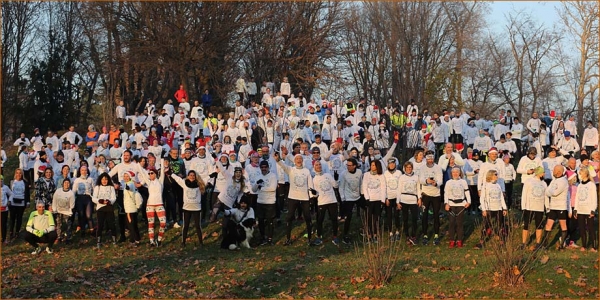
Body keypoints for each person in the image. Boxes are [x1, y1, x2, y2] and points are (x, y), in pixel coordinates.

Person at [276, 150, 314, 246]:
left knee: (308, 218)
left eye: (300, 159)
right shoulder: (291, 169)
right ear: (294, 160)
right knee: (289, 217)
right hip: (293, 197)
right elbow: (283, 166)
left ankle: (309, 238)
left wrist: (312, 197)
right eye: (297, 158)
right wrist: (278, 160)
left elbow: (310, 185)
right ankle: (288, 239)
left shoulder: (306, 171)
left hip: (304, 198)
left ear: (302, 160)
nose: (298, 160)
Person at [169, 168, 205, 247]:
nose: (192, 176)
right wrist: (170, 172)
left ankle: (201, 242)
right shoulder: (184, 183)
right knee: (185, 226)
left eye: (193, 175)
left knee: (198, 226)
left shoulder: (199, 184)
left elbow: (208, 177)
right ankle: (183, 242)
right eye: (190, 175)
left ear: (195, 177)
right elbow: (177, 179)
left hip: (196, 208)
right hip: (187, 208)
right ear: (188, 176)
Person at [476, 170, 508, 249]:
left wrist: (504, 208)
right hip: (489, 209)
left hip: (498, 208)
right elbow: (482, 198)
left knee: (500, 225)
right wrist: (484, 209)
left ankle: (501, 242)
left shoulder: (498, 185)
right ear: (490, 176)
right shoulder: (485, 186)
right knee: (486, 225)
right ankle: (481, 242)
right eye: (495, 175)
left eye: (497, 175)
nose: (497, 176)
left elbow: (501, 198)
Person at [311, 160, 339, 246]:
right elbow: (315, 195)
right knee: (320, 220)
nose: (319, 166)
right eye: (317, 165)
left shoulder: (327, 175)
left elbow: (335, 186)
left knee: (334, 219)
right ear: (314, 167)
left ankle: (335, 236)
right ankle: (319, 237)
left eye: (320, 164)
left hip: (332, 200)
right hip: (322, 202)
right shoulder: (314, 179)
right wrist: (314, 193)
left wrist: (336, 179)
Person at [419, 151, 443, 245]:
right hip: (425, 194)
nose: (430, 160)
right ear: (426, 159)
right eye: (428, 159)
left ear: (434, 159)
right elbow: (420, 180)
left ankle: (436, 235)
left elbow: (440, 180)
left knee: (436, 215)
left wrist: (435, 183)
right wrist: (426, 180)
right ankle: (425, 235)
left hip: (436, 194)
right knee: (425, 216)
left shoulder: (438, 168)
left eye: (431, 159)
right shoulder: (422, 168)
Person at [520, 167, 547, 251]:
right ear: (539, 173)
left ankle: (538, 243)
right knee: (526, 225)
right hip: (529, 206)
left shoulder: (544, 183)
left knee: (539, 225)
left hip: (539, 207)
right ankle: (524, 243)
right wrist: (523, 206)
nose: (544, 174)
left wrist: (547, 207)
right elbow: (524, 194)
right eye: (543, 172)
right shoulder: (529, 181)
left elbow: (545, 196)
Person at [543, 165, 569, 249]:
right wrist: (550, 191)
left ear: (559, 172)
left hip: (561, 207)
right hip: (553, 206)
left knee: (563, 225)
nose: (553, 172)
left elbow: (555, 193)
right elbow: (547, 191)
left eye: (554, 170)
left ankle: (562, 245)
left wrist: (549, 191)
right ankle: (545, 244)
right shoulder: (554, 180)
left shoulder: (563, 181)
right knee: (548, 225)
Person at [444, 166, 471, 248]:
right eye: (453, 172)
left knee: (459, 223)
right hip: (451, 204)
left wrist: (469, 201)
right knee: (451, 223)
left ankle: (459, 240)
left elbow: (467, 192)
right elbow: (446, 193)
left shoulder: (463, 182)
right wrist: (446, 203)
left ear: (459, 173)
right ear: (451, 173)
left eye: (457, 172)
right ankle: (452, 240)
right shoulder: (448, 182)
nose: (455, 174)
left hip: (461, 205)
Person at [252, 160, 278, 246]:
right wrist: (257, 184)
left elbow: (273, 188)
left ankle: (270, 238)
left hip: (270, 202)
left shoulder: (273, 176)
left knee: (270, 220)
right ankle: (262, 237)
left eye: (265, 167)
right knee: (261, 220)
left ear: (268, 167)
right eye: (262, 167)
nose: (264, 169)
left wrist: (261, 188)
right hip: (260, 201)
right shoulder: (258, 176)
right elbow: (253, 189)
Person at [362, 160, 387, 243]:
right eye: (371, 165)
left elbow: (383, 188)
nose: (372, 166)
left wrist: (382, 200)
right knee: (369, 218)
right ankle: (369, 235)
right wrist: (367, 198)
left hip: (378, 199)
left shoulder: (381, 176)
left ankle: (375, 235)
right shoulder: (366, 175)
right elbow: (364, 187)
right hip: (369, 200)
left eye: (374, 165)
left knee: (376, 218)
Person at [339, 158, 363, 245]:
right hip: (348, 198)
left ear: (354, 166)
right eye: (347, 165)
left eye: (349, 165)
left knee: (367, 209)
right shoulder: (343, 174)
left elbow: (361, 183)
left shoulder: (359, 172)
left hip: (358, 196)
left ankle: (366, 228)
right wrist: (343, 198)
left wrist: (362, 193)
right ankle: (345, 235)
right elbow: (341, 187)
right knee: (348, 217)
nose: (348, 167)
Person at [397, 161, 421, 245]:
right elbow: (399, 189)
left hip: (413, 200)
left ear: (412, 168)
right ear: (405, 168)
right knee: (405, 219)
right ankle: (407, 235)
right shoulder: (402, 177)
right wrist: (398, 201)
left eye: (410, 168)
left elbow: (418, 189)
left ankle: (413, 236)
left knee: (414, 218)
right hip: (404, 200)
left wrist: (419, 198)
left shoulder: (416, 177)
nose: (408, 169)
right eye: (407, 168)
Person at [91, 173, 118, 248]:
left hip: (109, 207)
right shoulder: (97, 187)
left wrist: (109, 202)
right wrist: (100, 201)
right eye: (103, 179)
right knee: (100, 225)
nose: (104, 181)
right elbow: (93, 198)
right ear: (100, 180)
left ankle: (114, 240)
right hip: (100, 208)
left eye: (106, 179)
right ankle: (98, 241)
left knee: (111, 224)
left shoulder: (111, 187)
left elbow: (114, 197)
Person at [574, 168, 597, 252]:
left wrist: (593, 209)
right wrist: (575, 209)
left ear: (585, 174)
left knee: (591, 228)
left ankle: (594, 247)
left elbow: (594, 198)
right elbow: (577, 198)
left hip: (588, 209)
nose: (579, 175)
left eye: (580, 173)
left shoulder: (591, 185)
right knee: (582, 228)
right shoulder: (579, 185)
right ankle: (584, 245)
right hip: (580, 209)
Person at [72, 166, 95, 237]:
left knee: (88, 215)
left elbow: (94, 190)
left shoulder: (91, 179)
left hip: (88, 198)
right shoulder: (77, 180)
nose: (84, 172)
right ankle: (83, 231)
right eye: (82, 170)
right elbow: (74, 191)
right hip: (80, 198)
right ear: (80, 171)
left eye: (85, 170)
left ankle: (92, 230)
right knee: (81, 215)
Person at [7, 169, 29, 243]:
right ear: (15, 174)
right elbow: (8, 192)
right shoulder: (12, 182)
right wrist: (8, 201)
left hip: (21, 203)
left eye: (20, 173)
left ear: (22, 174)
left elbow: (27, 193)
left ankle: (17, 232)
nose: (18, 175)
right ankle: (11, 232)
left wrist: (28, 202)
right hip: (13, 203)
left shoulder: (25, 183)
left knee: (19, 218)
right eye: (17, 173)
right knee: (12, 218)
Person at [122, 171, 143, 246]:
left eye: (127, 176)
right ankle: (136, 239)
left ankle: (134, 240)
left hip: (130, 209)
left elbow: (129, 188)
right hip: (131, 208)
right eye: (124, 176)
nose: (125, 177)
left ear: (130, 177)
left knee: (131, 225)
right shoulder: (130, 183)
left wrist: (127, 187)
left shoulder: (130, 184)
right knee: (134, 224)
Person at [383, 158, 402, 241]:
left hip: (397, 197)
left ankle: (397, 231)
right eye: (390, 164)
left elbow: (401, 186)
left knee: (397, 215)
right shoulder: (385, 174)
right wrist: (386, 198)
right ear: (388, 164)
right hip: (389, 198)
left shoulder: (399, 173)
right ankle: (391, 232)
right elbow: (384, 187)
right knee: (389, 215)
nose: (392, 165)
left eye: (393, 163)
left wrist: (399, 199)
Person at [51, 180, 75, 244]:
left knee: (68, 225)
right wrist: (54, 210)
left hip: (67, 212)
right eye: (65, 183)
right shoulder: (58, 191)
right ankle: (59, 237)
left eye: (68, 183)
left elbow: (72, 205)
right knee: (58, 224)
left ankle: (68, 238)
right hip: (58, 211)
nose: (66, 184)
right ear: (62, 184)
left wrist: (69, 212)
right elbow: (54, 201)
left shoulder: (71, 193)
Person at [1, 177, 13, 244]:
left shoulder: (5, 187)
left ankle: (4, 239)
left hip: (4, 209)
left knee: (3, 225)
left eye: (1, 180)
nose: (0, 182)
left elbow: (11, 194)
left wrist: (9, 201)